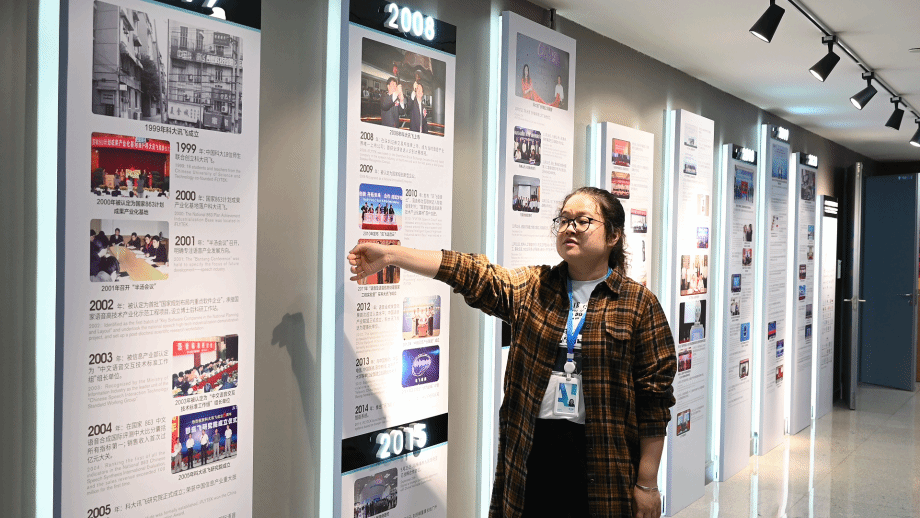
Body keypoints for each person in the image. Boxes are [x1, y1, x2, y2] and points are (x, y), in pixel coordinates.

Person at [348, 186, 676, 517]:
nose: (570, 228)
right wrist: (393, 255)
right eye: (564, 220)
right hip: (533, 451)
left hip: (603, 461)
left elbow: (654, 401)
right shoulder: (535, 287)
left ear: (614, 236)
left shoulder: (638, 304)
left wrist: (647, 482)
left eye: (583, 220)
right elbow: (471, 273)